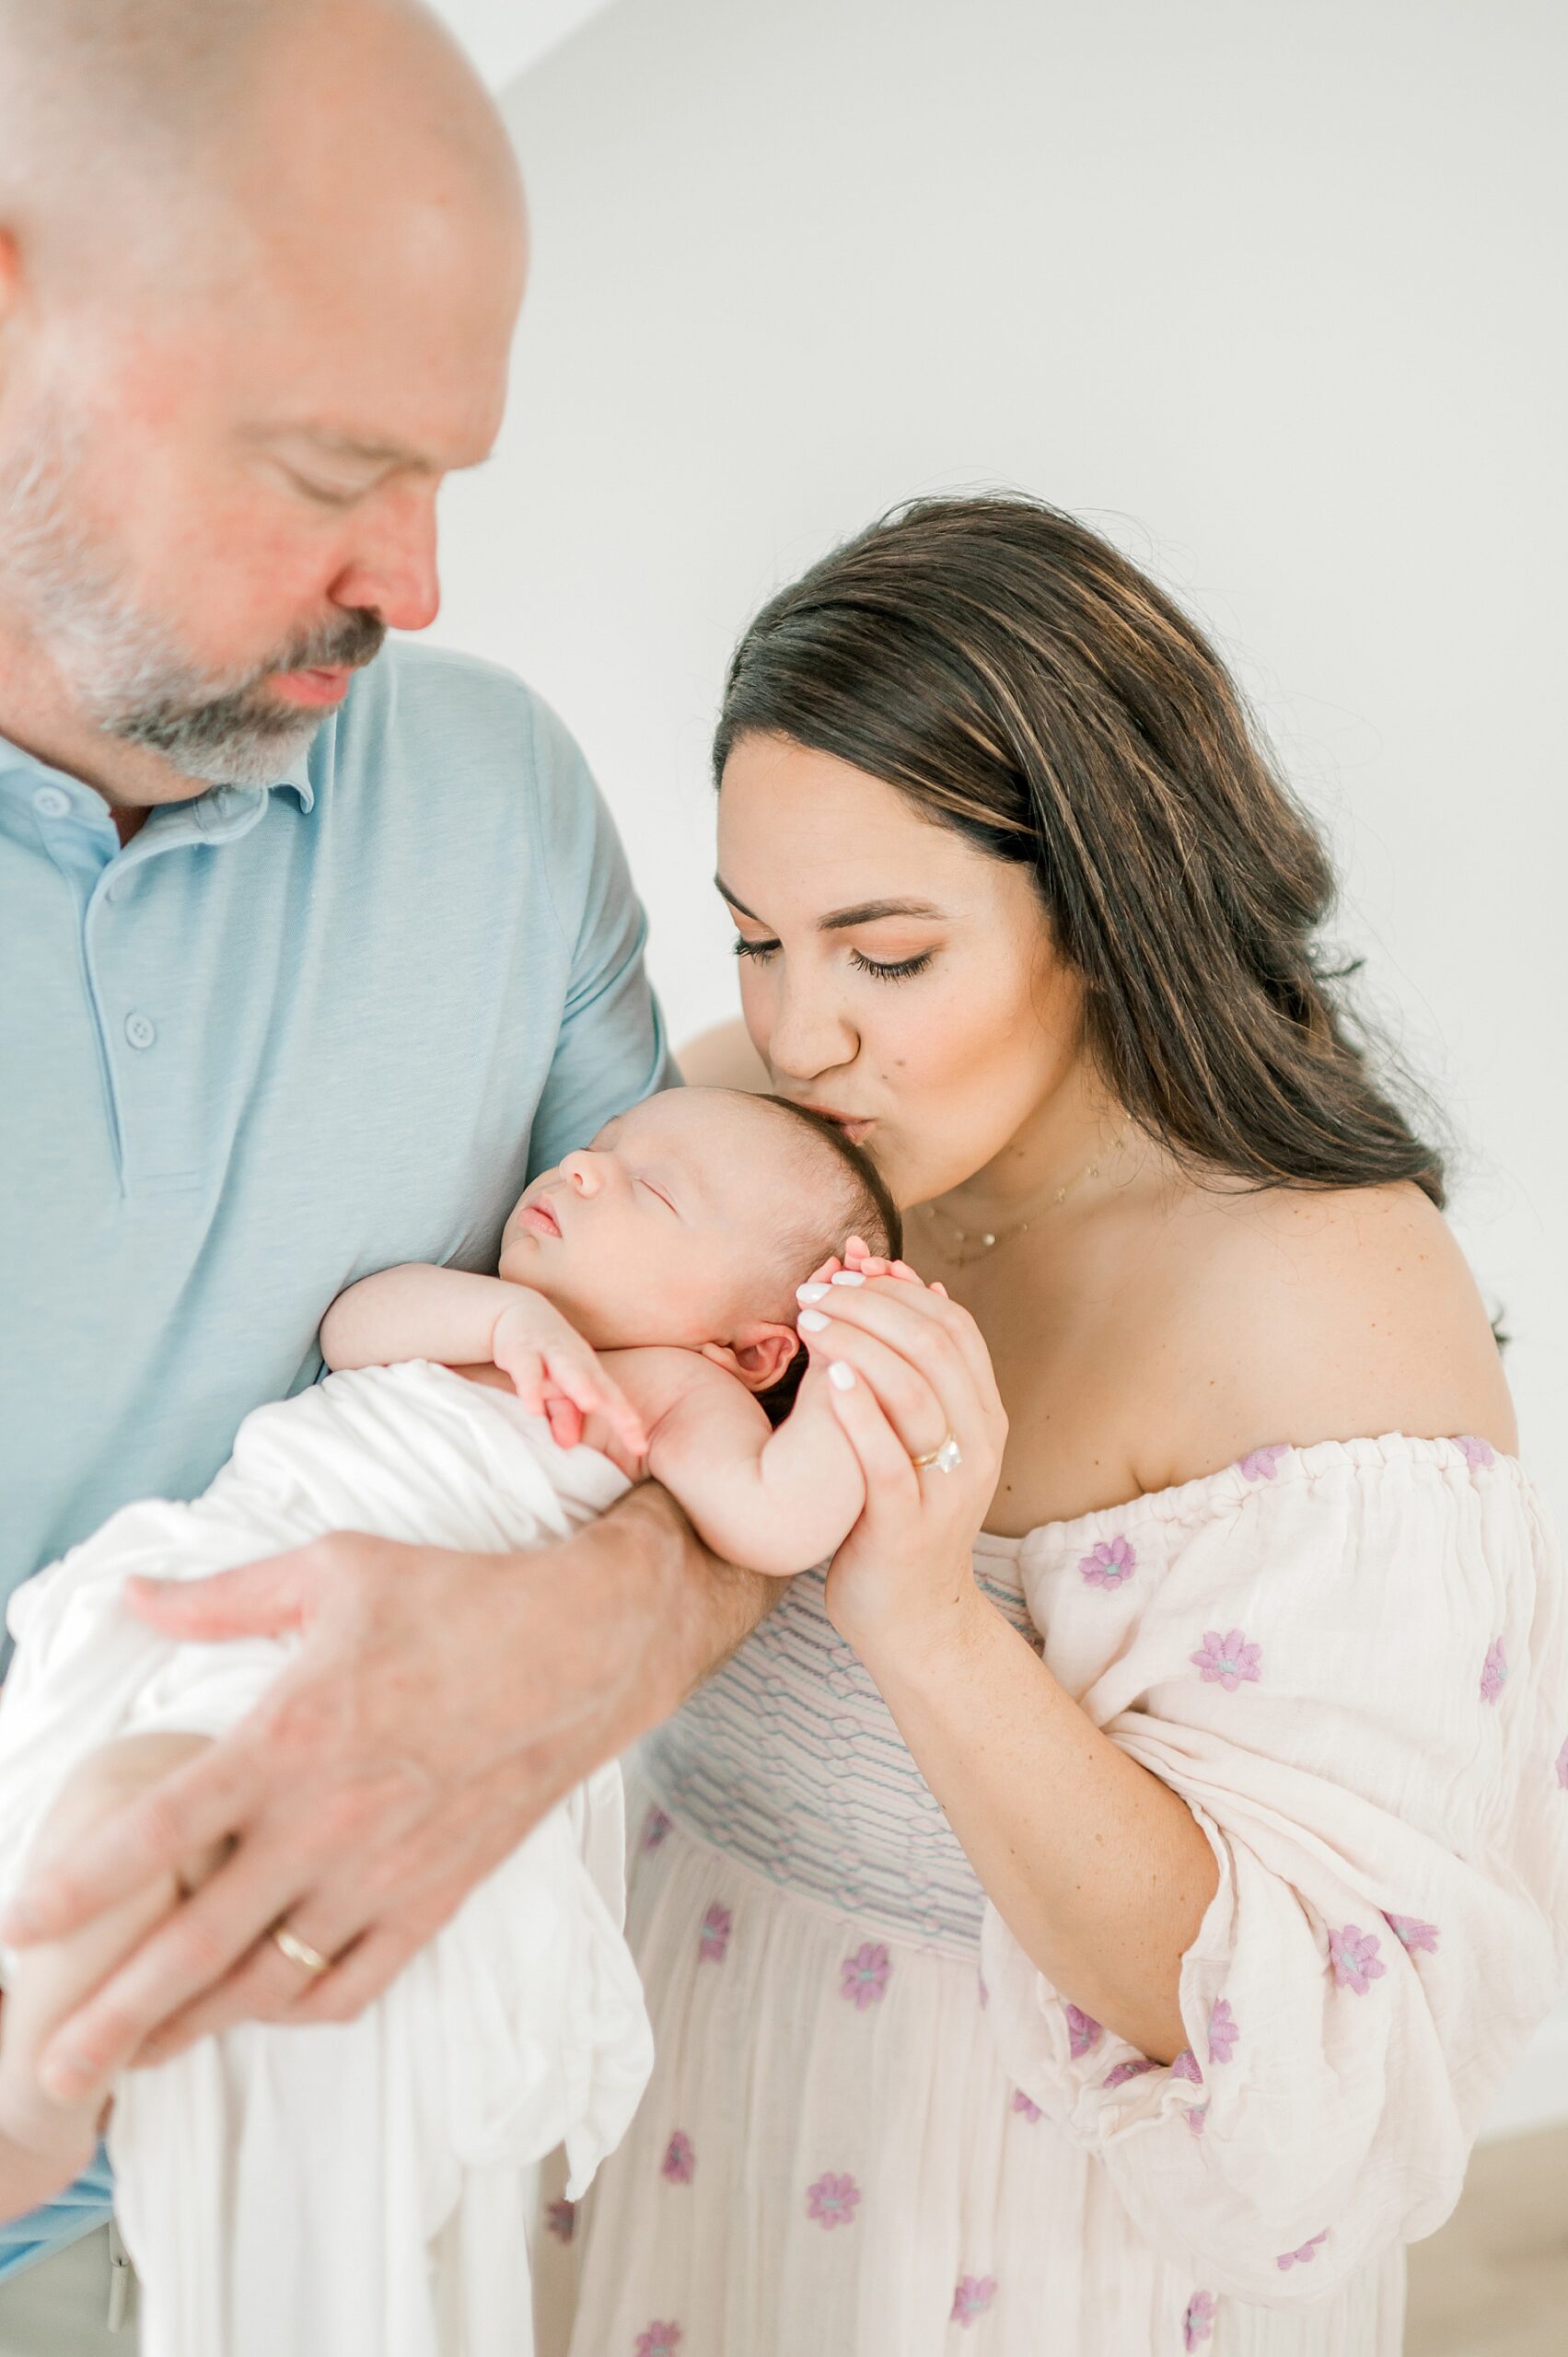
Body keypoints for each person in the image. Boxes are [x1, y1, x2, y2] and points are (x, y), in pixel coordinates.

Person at [539, 494, 1568, 2357]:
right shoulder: (755, 1155)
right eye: (758, 935)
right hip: (689, 2089)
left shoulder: (1322, 1306)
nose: (802, 1028)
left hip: (1027, 2232)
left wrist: (926, 1618)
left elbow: (1312, 2057)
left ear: (1106, 906)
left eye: (889, 951)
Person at [0, 3, 783, 2344]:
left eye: (450, 469)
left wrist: (557, 1644)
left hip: (309, 2202)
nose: (421, 579)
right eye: (338, 461)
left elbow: (721, 1394)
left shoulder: (500, 804)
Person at [0, 1087, 900, 2354]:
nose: (585, 1174)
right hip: (247, 1576)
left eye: (649, 1192)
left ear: (754, 1349)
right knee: (115, 1798)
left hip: (386, 1681)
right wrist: (503, 1315)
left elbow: (783, 1521)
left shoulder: (675, 1396)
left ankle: (41, 2084)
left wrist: (861, 1354)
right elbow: (351, 1323)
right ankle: (42, 2035)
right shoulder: (477, 1311)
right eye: (601, 1153)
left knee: (144, 1808)